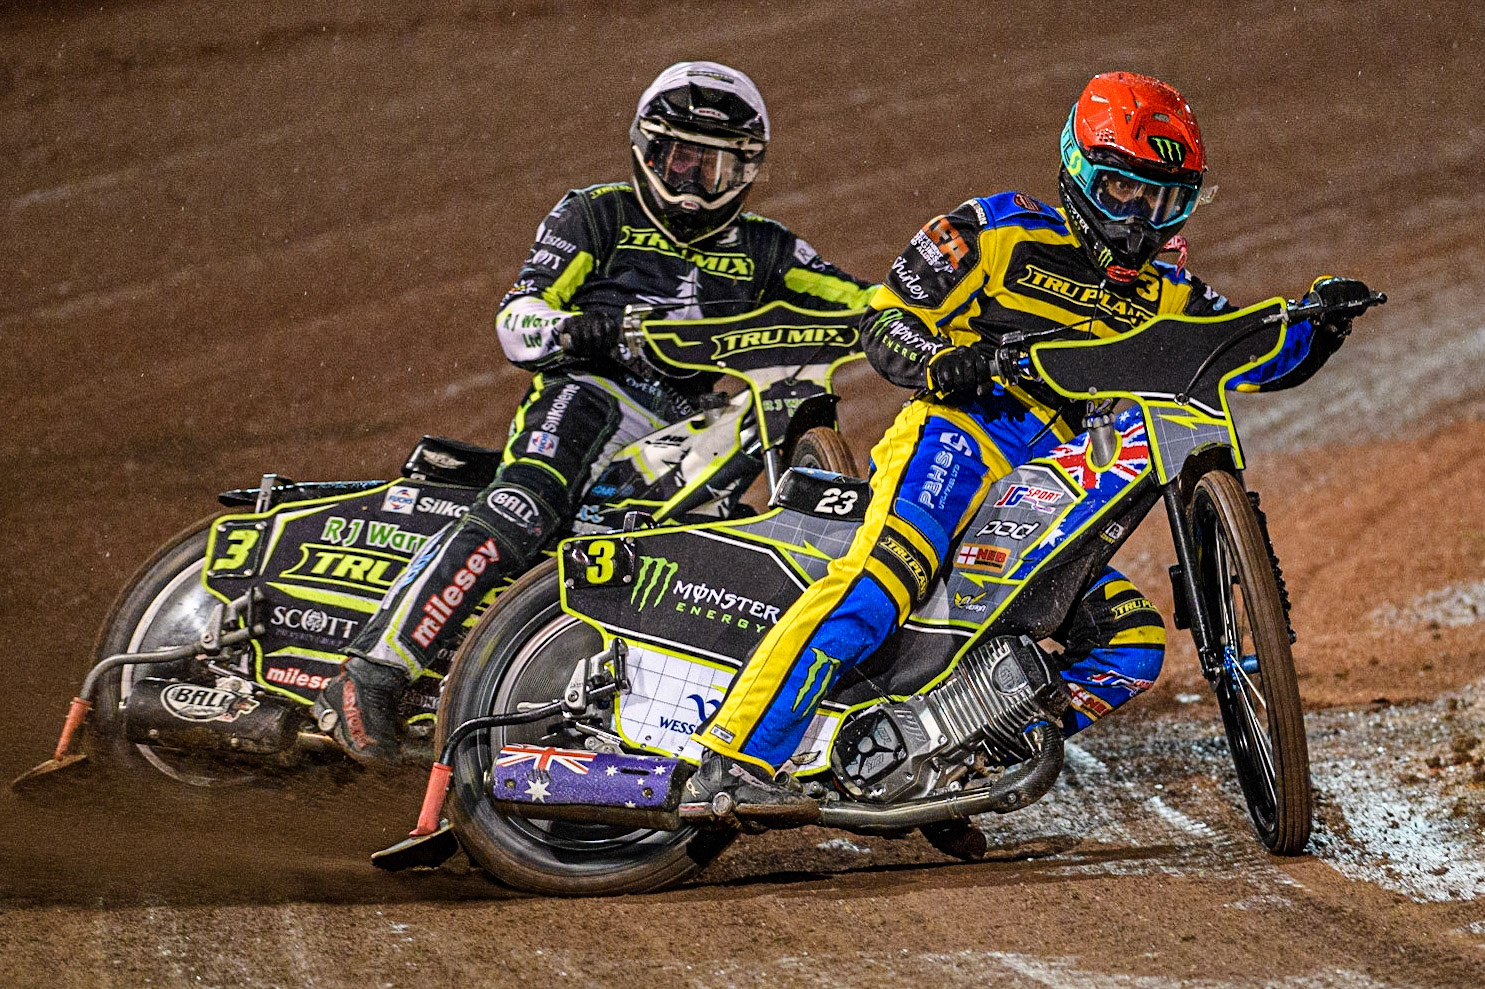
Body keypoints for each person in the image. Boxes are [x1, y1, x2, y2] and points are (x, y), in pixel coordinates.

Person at [684, 70, 1371, 825]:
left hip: (1054, 485)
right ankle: (733, 757)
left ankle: (943, 767)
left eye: (1163, 200)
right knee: (882, 579)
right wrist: (938, 361)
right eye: (1122, 193)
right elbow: (884, 317)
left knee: (1133, 646)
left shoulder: (1169, 286)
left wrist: (1319, 325)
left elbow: (1239, 350)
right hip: (958, 438)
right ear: (1077, 173)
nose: (1139, 220)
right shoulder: (997, 228)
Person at [314, 60, 873, 765]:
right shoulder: (596, 212)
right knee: (524, 507)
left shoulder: (769, 248)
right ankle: (370, 671)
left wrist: (932, 317)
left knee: (712, 563)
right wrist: (578, 329)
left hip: (690, 426)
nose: (692, 182)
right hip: (588, 394)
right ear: (645, 150)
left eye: (713, 167)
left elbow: (865, 301)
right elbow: (516, 320)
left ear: (746, 170)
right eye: (678, 159)